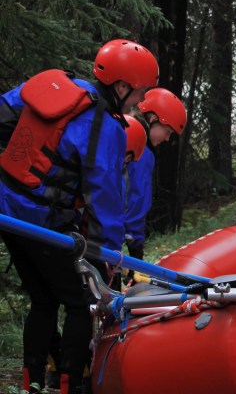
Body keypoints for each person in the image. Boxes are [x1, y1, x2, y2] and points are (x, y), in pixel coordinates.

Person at [0, 39, 159, 393]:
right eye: (138, 93)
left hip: (7, 212)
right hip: (41, 223)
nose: (138, 102)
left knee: (43, 299)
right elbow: (103, 193)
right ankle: (71, 384)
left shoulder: (58, 84)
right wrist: (106, 254)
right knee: (79, 301)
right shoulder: (104, 126)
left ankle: (33, 382)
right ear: (121, 86)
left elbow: (5, 118)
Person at [124, 88, 186, 269]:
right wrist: (136, 245)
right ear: (152, 120)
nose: (167, 139)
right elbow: (136, 198)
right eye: (167, 131)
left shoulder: (123, 130)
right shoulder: (142, 151)